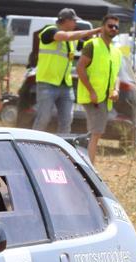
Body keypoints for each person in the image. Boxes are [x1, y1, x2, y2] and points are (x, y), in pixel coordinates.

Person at [32, 8, 100, 136]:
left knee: (67, 121)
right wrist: (93, 30)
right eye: (74, 21)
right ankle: (29, 145)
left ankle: (61, 149)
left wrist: (98, 39)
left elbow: (88, 46)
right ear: (66, 20)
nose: (75, 24)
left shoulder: (72, 40)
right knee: (43, 119)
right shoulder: (49, 30)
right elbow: (66, 36)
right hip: (47, 83)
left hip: (65, 86)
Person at [76, 14, 121, 164]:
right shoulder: (92, 45)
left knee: (95, 133)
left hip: (105, 99)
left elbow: (116, 75)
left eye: (116, 27)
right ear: (102, 27)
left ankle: (83, 163)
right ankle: (89, 169)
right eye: (110, 26)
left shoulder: (116, 52)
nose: (113, 29)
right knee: (95, 134)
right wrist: (91, 91)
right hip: (93, 98)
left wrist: (116, 90)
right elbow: (80, 68)